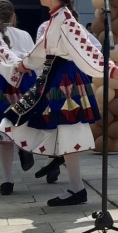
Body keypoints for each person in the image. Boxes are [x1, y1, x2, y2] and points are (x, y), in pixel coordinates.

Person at [0, 0, 118, 206]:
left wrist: (110, 69)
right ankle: (73, 185)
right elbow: (40, 50)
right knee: (50, 127)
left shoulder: (66, 21)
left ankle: (76, 188)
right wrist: (24, 64)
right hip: (52, 77)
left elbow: (88, 49)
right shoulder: (56, 18)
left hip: (64, 80)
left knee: (66, 130)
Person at [32, 14, 103, 184]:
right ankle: (55, 161)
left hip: (56, 75)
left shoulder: (47, 26)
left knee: (59, 120)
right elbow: (95, 46)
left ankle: (56, 162)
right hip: (72, 75)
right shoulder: (72, 25)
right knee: (60, 120)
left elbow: (39, 55)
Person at [0, 0, 38, 195]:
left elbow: (2, 56)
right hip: (26, 80)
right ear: (13, 16)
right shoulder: (24, 34)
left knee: (3, 129)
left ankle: (7, 180)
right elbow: (34, 58)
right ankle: (26, 149)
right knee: (26, 122)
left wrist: (16, 66)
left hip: (0, 82)